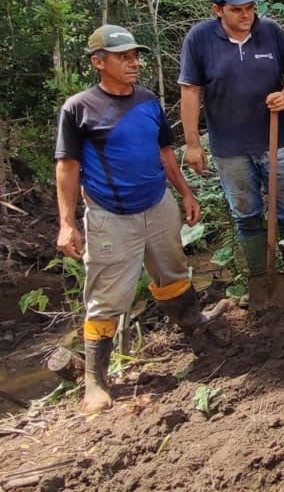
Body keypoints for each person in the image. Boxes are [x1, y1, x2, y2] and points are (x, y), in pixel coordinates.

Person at [55, 24, 225, 416]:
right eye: (123, 57)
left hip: (157, 204)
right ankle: (95, 380)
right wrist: (66, 223)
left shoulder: (147, 101)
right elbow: (67, 167)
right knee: (107, 296)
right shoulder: (79, 109)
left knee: (173, 270)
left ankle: (194, 329)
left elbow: (165, 152)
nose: (133, 63)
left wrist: (184, 192)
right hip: (110, 216)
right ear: (99, 62)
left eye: (135, 56)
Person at [179, 0, 284, 310]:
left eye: (250, 8)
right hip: (230, 148)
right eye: (237, 10)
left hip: (277, 142)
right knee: (247, 215)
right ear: (218, 11)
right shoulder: (200, 39)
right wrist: (193, 143)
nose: (246, 15)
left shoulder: (271, 32)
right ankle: (260, 278)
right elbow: (190, 91)